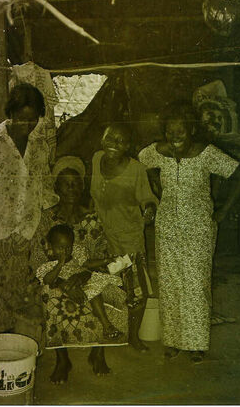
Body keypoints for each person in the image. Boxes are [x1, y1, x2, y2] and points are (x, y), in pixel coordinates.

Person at [138, 101, 240, 363]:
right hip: (167, 227)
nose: (175, 137)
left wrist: (221, 212)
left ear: (192, 131)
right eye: (170, 132)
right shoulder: (157, 152)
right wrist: (153, 191)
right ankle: (174, 341)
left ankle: (196, 343)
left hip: (198, 227)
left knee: (195, 284)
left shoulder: (206, 154)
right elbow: (138, 164)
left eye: (181, 132)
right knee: (169, 282)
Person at [0, 83, 57, 341]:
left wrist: (47, 220)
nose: (27, 125)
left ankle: (10, 347)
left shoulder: (39, 144)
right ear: (11, 114)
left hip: (25, 230)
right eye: (21, 119)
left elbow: (43, 184)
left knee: (18, 291)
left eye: (33, 120)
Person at [31, 156, 128, 384]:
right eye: (65, 184)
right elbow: (37, 258)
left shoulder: (93, 218)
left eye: (76, 183)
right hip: (57, 276)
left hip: (89, 274)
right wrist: (64, 283)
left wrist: (84, 275)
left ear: (83, 186)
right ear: (56, 188)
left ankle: (98, 351)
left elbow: (102, 255)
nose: (71, 189)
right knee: (50, 296)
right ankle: (62, 358)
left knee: (108, 288)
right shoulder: (47, 218)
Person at [90, 123, 158, 352]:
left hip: (128, 238)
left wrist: (149, 210)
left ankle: (134, 336)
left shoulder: (136, 169)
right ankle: (109, 330)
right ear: (102, 138)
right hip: (101, 234)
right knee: (104, 282)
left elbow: (147, 198)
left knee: (135, 288)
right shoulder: (96, 158)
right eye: (110, 138)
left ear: (128, 146)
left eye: (121, 141)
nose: (114, 144)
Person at [36, 224, 123, 340]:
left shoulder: (76, 254)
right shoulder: (48, 266)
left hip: (84, 281)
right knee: (92, 292)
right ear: (51, 246)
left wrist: (105, 261)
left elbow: (87, 264)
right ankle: (107, 326)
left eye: (68, 247)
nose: (65, 251)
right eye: (60, 248)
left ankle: (107, 326)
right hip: (66, 288)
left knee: (96, 291)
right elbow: (47, 280)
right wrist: (60, 264)